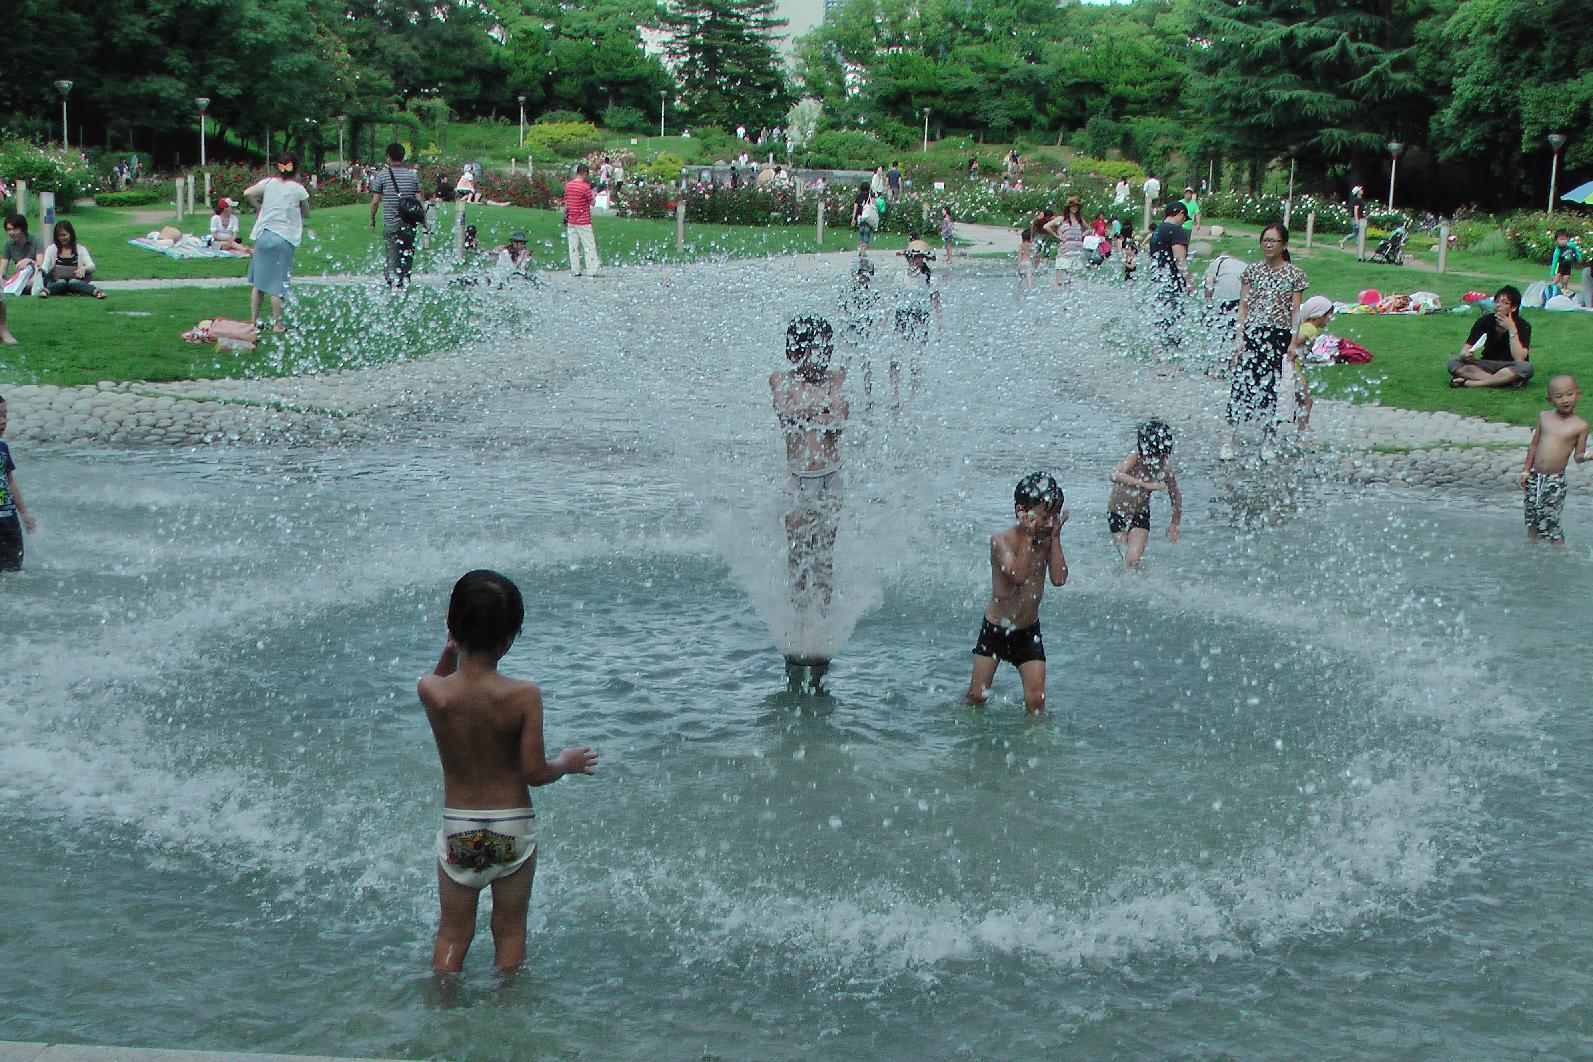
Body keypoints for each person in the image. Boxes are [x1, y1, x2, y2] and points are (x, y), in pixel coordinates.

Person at [420, 570, 598, 975]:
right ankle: (510, 1009)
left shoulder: (432, 692)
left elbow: (442, 677)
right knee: (511, 931)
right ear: (509, 638)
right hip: (512, 829)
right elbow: (535, 772)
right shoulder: (523, 696)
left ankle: (443, 1009)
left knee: (452, 933)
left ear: (453, 626)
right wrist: (566, 764)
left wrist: (450, 648)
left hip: (460, 828)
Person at [965, 473, 1068, 716]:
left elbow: (1059, 579)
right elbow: (1018, 576)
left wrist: (1056, 538)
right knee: (977, 696)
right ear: (1022, 511)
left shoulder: (1047, 540)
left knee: (1036, 702)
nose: (1049, 522)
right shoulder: (1001, 540)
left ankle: (1034, 740)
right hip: (995, 630)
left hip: (1027, 631)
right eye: (1045, 516)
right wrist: (1028, 538)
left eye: (1054, 515)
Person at [771, 317, 849, 622]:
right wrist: (821, 410)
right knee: (798, 555)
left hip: (830, 478)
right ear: (795, 352)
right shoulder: (781, 379)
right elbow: (786, 414)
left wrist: (808, 412)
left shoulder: (836, 379)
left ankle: (823, 620)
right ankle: (799, 618)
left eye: (822, 350)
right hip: (797, 479)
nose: (817, 358)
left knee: (824, 558)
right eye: (811, 350)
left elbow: (839, 420)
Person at [1222, 223, 1309, 461]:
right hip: (1253, 332)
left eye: (1273, 241)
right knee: (1241, 384)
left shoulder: (1294, 274)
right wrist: (1240, 336)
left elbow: (1294, 310)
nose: (1268, 245)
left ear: (1284, 245)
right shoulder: (1252, 271)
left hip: (1278, 334)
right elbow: (1243, 305)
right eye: (1265, 240)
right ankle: (1228, 438)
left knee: (1272, 387)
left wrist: (1293, 342)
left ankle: (1268, 439)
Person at [243, 152, 311, 334]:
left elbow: (248, 192)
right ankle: (277, 324)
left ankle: (253, 321)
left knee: (259, 282)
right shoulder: (298, 189)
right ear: (296, 169)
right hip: (284, 238)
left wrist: (259, 206)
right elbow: (306, 212)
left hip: (263, 235)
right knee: (277, 284)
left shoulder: (268, 183)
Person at [1520, 375, 1590, 545]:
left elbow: (1578, 457)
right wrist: (1525, 470)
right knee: (1532, 518)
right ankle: (1532, 549)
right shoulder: (1544, 417)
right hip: (1535, 477)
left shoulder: (1580, 426)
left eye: (1569, 394)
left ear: (1578, 395)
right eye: (1559, 396)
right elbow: (1534, 445)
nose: (1565, 400)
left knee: (1551, 521)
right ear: (1550, 399)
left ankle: (1558, 553)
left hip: (1555, 481)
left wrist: (1589, 455)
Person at [1108, 420, 1182, 570]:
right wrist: (1145, 484)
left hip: (1140, 514)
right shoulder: (1135, 459)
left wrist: (1174, 523)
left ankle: (1136, 580)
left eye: (1161, 458)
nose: (1155, 462)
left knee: (1132, 559)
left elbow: (1175, 495)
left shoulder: (1164, 468)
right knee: (1126, 557)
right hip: (1117, 513)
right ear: (1143, 451)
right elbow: (1115, 475)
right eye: (1151, 457)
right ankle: (1133, 584)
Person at [1447, 285, 1532, 388]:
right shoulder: (1485, 321)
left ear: (1513, 308)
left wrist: (1512, 329)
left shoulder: (1523, 326)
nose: (1498, 305)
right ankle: (1503, 381)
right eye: (1497, 301)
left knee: (1526, 368)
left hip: (1510, 365)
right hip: (1486, 364)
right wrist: (1466, 355)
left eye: (1504, 303)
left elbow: (1519, 358)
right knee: (1453, 363)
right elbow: (1465, 350)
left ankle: (1472, 383)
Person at [890, 237, 941, 408]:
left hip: (920, 320)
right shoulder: (900, 276)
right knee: (895, 358)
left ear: (923, 259)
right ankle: (895, 395)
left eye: (917, 257)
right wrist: (883, 320)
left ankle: (913, 395)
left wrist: (939, 325)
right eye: (911, 257)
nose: (914, 260)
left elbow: (936, 303)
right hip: (901, 318)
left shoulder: (930, 279)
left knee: (915, 361)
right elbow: (893, 300)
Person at [370, 142, 424, 289]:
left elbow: (375, 201)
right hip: (409, 223)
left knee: (392, 255)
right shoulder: (412, 176)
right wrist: (423, 220)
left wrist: (372, 219)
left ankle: (393, 283)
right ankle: (405, 280)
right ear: (403, 157)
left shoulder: (382, 176)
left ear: (388, 157)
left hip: (391, 223)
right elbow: (419, 200)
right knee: (407, 255)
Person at [1280, 294, 1333, 444]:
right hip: (1293, 369)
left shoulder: (1304, 326)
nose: (1329, 319)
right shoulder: (1310, 329)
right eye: (1328, 315)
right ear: (1319, 315)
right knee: (1306, 401)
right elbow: (1294, 341)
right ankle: (1300, 436)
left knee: (1292, 401)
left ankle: (1294, 431)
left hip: (1294, 368)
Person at [1146, 203, 1192, 364]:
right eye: (1184, 218)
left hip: (1159, 281)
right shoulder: (1177, 230)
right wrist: (1188, 280)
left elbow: (1151, 259)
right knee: (1174, 321)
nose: (1184, 221)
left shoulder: (1157, 231)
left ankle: (1158, 357)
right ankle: (1169, 361)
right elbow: (1180, 258)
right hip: (1173, 282)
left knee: (1160, 318)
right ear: (1180, 213)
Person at [0, 395, 37, 573]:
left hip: (10, 523)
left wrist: (24, 512)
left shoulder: (3, 449)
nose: (2, 422)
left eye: (4, 416)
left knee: (14, 572)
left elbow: (10, 481)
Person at [837, 258, 882, 398]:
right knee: (845, 362)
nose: (862, 279)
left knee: (866, 363)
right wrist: (841, 327)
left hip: (865, 331)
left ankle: (868, 393)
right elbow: (840, 309)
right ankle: (837, 390)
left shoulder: (872, 292)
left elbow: (880, 310)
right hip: (850, 329)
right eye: (860, 275)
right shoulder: (847, 291)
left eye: (866, 276)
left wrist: (879, 325)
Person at [1, 214, 46, 343]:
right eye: (8, 230)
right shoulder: (8, 245)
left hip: (35, 275)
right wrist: (1, 278)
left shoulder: (36, 241)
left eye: (14, 229)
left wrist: (28, 261)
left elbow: (40, 265)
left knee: (32, 282)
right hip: (19, 277)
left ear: (22, 229)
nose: (11, 233)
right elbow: (3, 267)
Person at [39, 221, 105, 299]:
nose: (61, 238)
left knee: (74, 282)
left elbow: (92, 266)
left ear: (71, 234)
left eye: (64, 235)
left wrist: (84, 268)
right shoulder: (51, 249)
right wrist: (41, 270)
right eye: (58, 236)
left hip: (76, 281)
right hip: (58, 282)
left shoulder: (80, 249)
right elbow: (45, 267)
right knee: (60, 283)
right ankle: (45, 291)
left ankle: (97, 292)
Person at [1202, 249, 1246, 353]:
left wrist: (1208, 304)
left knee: (1222, 332)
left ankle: (1222, 358)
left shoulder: (1216, 263)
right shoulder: (1243, 264)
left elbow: (1209, 283)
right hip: (1243, 299)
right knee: (1238, 332)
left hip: (1225, 299)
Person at [564, 163, 600, 277]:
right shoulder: (585, 187)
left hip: (571, 220)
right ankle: (591, 270)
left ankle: (575, 270)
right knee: (589, 246)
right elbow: (592, 202)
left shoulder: (569, 185)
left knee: (573, 246)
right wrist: (594, 194)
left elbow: (567, 202)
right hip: (583, 221)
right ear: (584, 173)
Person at [1051, 197, 1087, 289]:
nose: (1075, 208)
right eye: (1073, 206)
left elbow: (1089, 229)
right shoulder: (1062, 219)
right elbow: (1047, 226)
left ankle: (1068, 297)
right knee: (1059, 277)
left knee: (1069, 279)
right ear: (1068, 208)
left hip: (1075, 251)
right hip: (1064, 250)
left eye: (1076, 206)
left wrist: (1081, 236)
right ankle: (1056, 295)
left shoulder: (1079, 220)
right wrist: (1057, 236)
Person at [852, 183, 879, 256]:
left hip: (860, 218)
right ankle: (863, 250)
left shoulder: (858, 196)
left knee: (861, 233)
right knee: (866, 233)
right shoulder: (870, 196)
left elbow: (855, 209)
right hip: (868, 217)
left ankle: (860, 249)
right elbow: (875, 204)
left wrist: (853, 219)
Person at [1016, 229, 1036, 294]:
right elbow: (1033, 254)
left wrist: (1018, 265)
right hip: (1028, 262)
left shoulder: (1021, 245)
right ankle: (1030, 289)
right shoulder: (1031, 245)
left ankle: (1019, 289)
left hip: (1022, 262)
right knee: (1029, 277)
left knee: (1020, 277)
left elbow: (1019, 255)